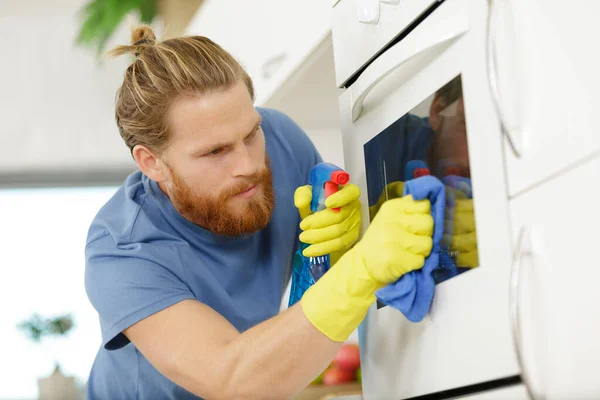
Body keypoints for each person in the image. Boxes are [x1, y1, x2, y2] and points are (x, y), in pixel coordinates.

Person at [84, 25, 434, 400]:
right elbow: (230, 377)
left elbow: (310, 290)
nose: (249, 164)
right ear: (151, 162)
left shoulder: (282, 141)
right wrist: (358, 272)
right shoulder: (122, 252)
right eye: (215, 152)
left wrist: (346, 237)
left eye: (251, 133)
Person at [364, 75, 478, 283]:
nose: (475, 156)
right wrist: (372, 223)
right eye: (467, 126)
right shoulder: (378, 143)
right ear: (437, 111)